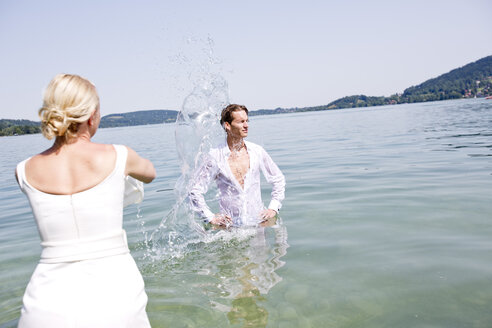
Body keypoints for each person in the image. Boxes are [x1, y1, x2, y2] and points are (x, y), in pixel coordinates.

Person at [15, 74, 156, 327]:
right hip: (116, 296)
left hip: (45, 302)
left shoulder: (23, 170)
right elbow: (150, 174)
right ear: (92, 115)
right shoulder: (120, 156)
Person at [189, 104, 285, 227]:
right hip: (229, 229)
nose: (246, 125)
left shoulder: (257, 151)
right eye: (241, 122)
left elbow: (278, 179)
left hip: (258, 223)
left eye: (247, 121)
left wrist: (273, 208)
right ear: (227, 126)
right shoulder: (214, 156)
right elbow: (194, 190)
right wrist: (210, 217)